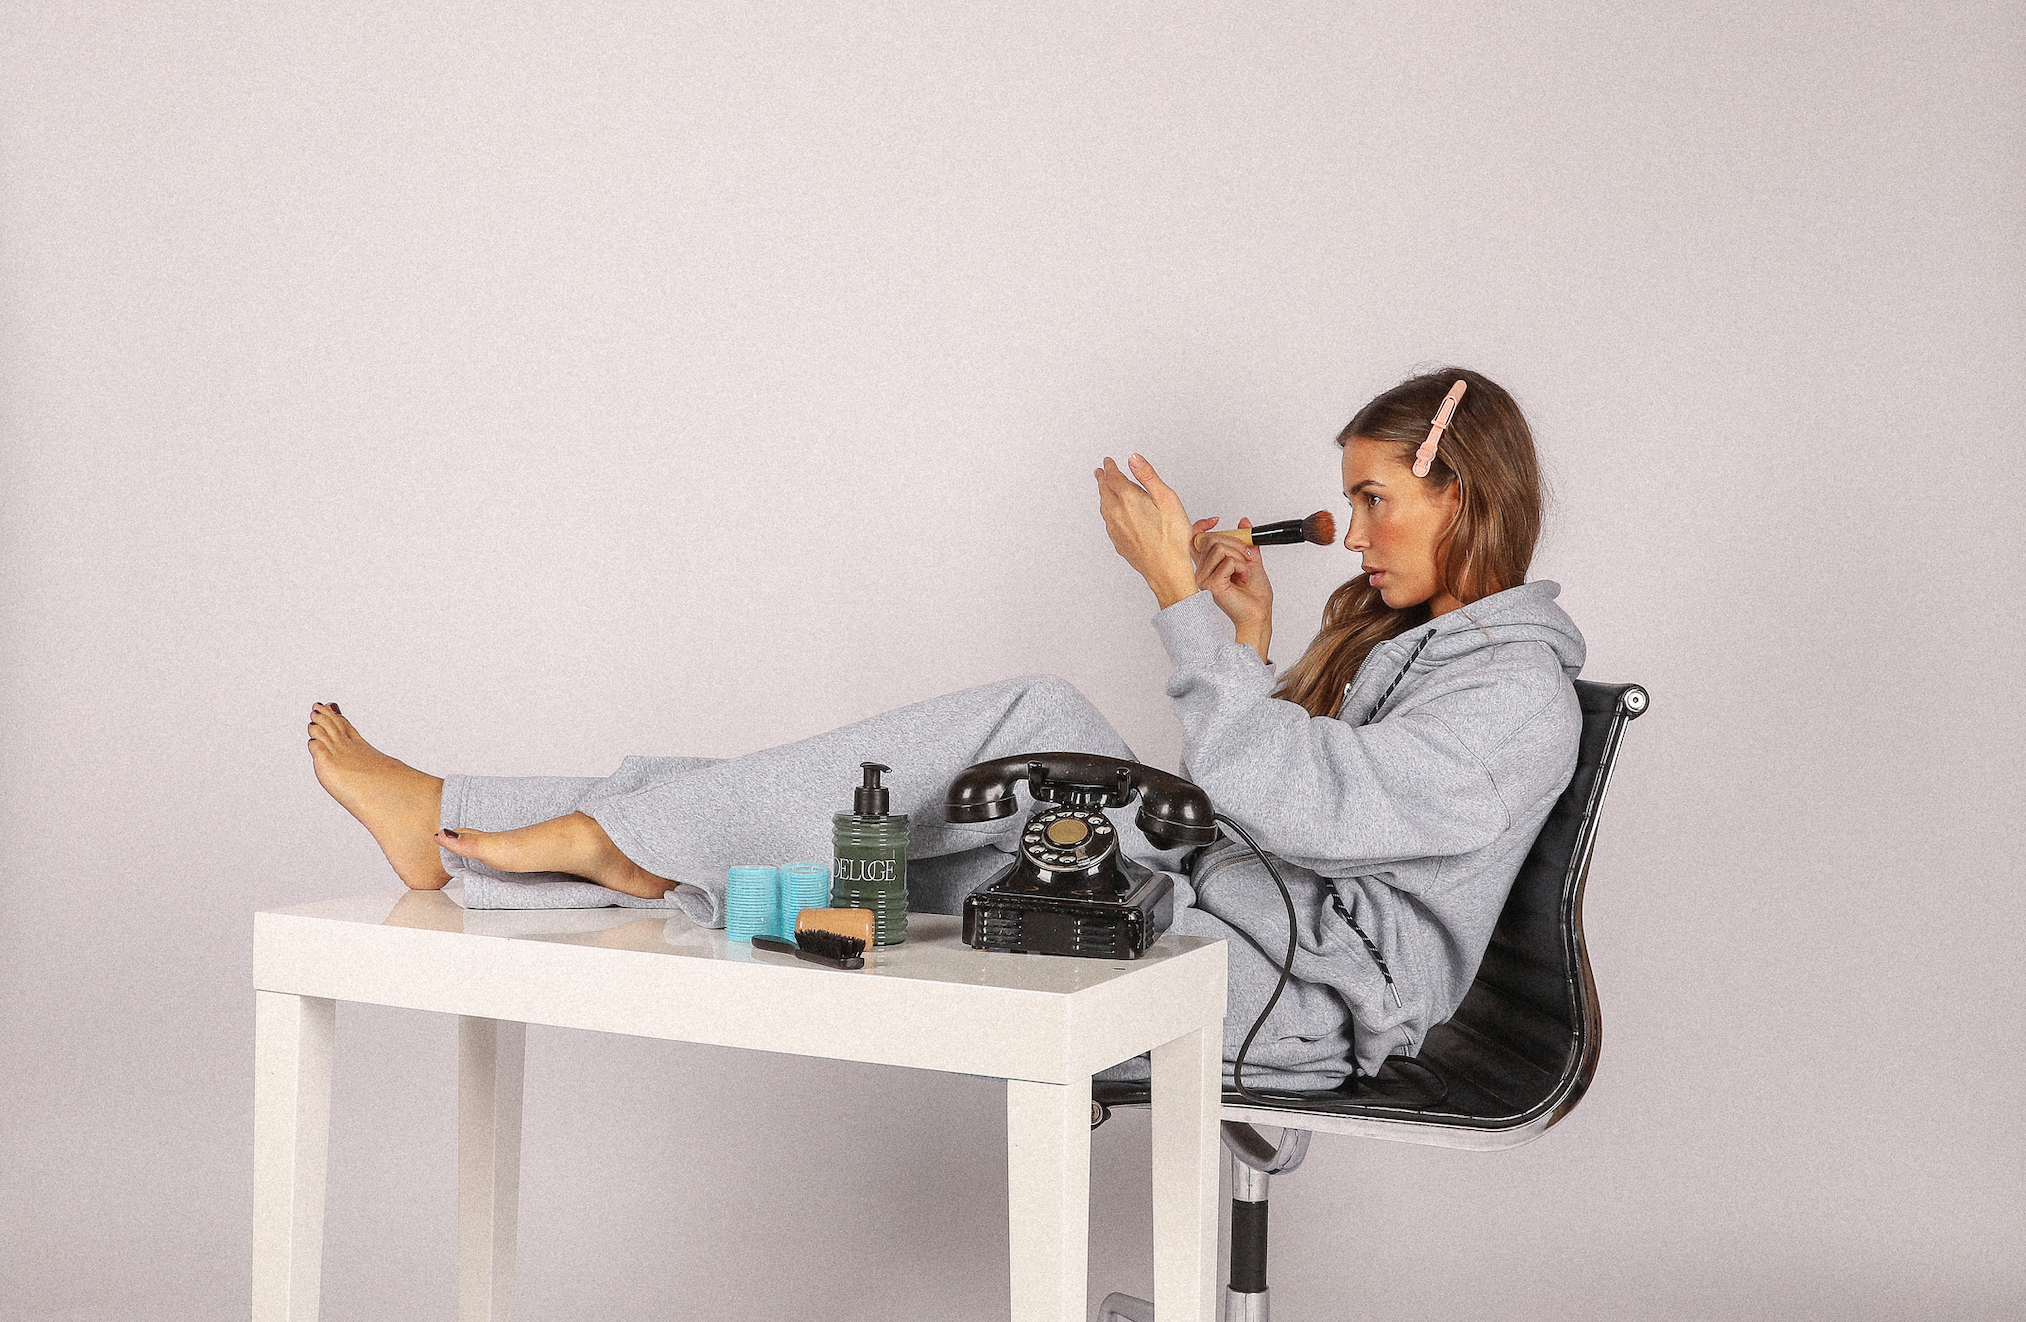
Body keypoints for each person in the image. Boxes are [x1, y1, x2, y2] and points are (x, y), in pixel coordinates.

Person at [306, 367, 1584, 1090]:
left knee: (1015, 738)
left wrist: (1183, 607)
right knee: (890, 819)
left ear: (1459, 489)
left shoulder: (1512, 694)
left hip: (1282, 985)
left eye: (1372, 499)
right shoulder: (1430, 655)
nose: (1351, 536)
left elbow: (1308, 808)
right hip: (1245, 919)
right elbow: (1299, 795)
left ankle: (591, 838)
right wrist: (1244, 649)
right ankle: (497, 837)